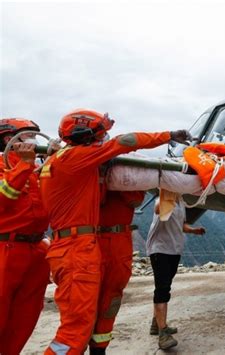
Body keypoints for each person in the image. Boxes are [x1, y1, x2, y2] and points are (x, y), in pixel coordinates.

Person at [40, 108, 192, 354]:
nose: (102, 141)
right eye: (98, 136)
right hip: (77, 250)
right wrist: (169, 135)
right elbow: (126, 142)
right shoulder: (75, 158)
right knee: (75, 330)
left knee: (104, 308)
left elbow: (106, 197)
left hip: (81, 246)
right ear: (84, 136)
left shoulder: (63, 162)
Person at [0, 118, 50, 355]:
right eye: (28, 135)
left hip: (36, 249)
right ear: (10, 140)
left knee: (26, 316)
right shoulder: (5, 166)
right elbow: (3, 198)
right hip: (5, 249)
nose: (33, 141)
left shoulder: (36, 169)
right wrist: (24, 165)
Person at [89, 190, 145, 354]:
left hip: (118, 243)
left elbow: (136, 198)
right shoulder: (87, 172)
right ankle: (76, 346)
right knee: (84, 303)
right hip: (90, 240)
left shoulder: (129, 177)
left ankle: (99, 350)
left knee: (110, 302)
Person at [146, 192, 205, 350]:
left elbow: (181, 225)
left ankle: (156, 324)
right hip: (160, 249)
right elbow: (158, 210)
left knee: (165, 287)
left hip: (174, 250)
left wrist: (194, 231)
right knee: (162, 290)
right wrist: (168, 193)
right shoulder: (163, 199)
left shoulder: (182, 203)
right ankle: (163, 334)